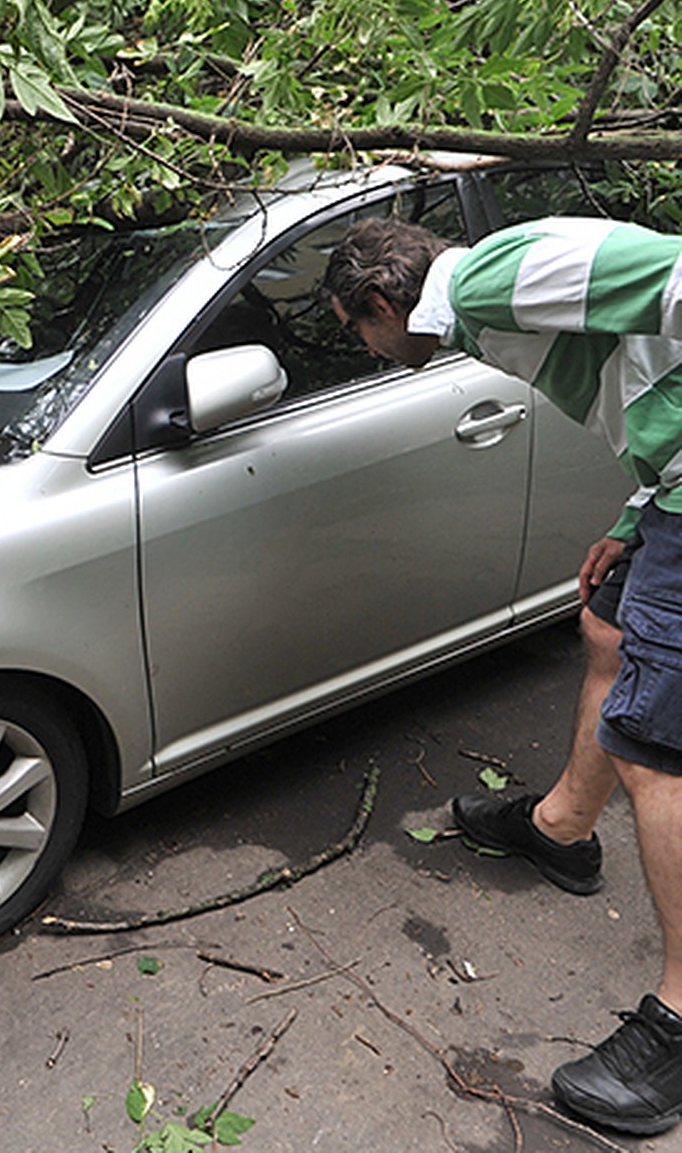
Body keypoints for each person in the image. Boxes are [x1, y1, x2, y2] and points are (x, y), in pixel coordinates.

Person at [323, 214, 682, 1136]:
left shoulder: (490, 278)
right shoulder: (487, 299)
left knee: (657, 754)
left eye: (357, 330)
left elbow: (676, 275)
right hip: (672, 490)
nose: (366, 349)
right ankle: (562, 828)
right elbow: (649, 358)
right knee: (606, 628)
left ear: (378, 300)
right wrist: (643, 509)